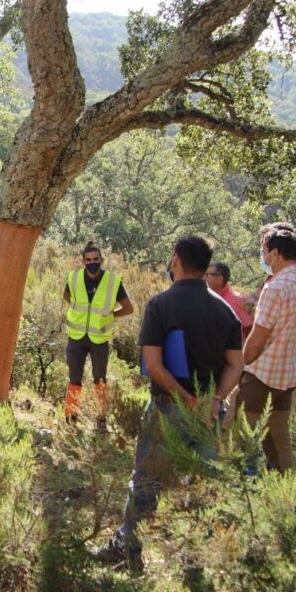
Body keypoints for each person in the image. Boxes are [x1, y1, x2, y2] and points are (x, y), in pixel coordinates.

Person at [93, 236, 243, 571]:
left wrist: (186, 398)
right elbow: (236, 365)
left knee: (146, 481)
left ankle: (128, 551)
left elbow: (154, 365)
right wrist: (215, 399)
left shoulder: (161, 305)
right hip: (209, 415)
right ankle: (195, 562)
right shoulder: (225, 311)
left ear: (175, 260)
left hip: (169, 408)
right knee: (201, 485)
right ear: (205, 267)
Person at [235, 224, 296, 473]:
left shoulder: (276, 287)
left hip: (263, 373)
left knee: (237, 430)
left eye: (264, 250)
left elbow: (259, 336)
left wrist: (239, 367)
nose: (262, 255)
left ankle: (228, 490)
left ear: (275, 253)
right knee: (278, 435)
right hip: (289, 373)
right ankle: (284, 489)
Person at [63, 241, 134, 425]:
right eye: (88, 260)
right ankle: (71, 418)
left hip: (99, 338)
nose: (92, 262)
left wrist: (111, 316)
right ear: (82, 261)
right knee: (74, 378)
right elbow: (66, 295)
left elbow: (128, 308)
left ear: (102, 260)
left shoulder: (113, 281)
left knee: (100, 379)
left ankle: (101, 419)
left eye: (96, 259)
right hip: (76, 337)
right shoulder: (73, 277)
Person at [204, 262, 253, 340]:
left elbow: (250, 330)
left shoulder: (237, 301)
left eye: (207, 275)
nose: (204, 278)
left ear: (219, 279)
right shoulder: (207, 298)